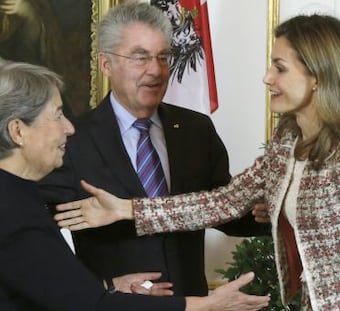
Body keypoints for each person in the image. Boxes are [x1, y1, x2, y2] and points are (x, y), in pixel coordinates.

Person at [55, 14, 340, 310]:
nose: (267, 78)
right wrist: (128, 210)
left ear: (317, 77)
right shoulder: (288, 143)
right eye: (139, 57)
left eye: (280, 68)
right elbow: (222, 201)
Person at [38, 0, 269, 298]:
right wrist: (104, 286)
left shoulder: (196, 130)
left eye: (163, 57)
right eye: (140, 57)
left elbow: (223, 208)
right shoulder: (71, 141)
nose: (156, 70)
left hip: (193, 302)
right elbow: (38, 242)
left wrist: (266, 212)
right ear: (106, 64)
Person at [0, 59, 270, 310]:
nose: (69, 128)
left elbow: (48, 286)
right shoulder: (12, 211)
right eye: (58, 115)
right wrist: (202, 306)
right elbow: (90, 306)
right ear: (18, 131)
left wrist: (110, 285)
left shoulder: (18, 196)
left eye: (162, 56)